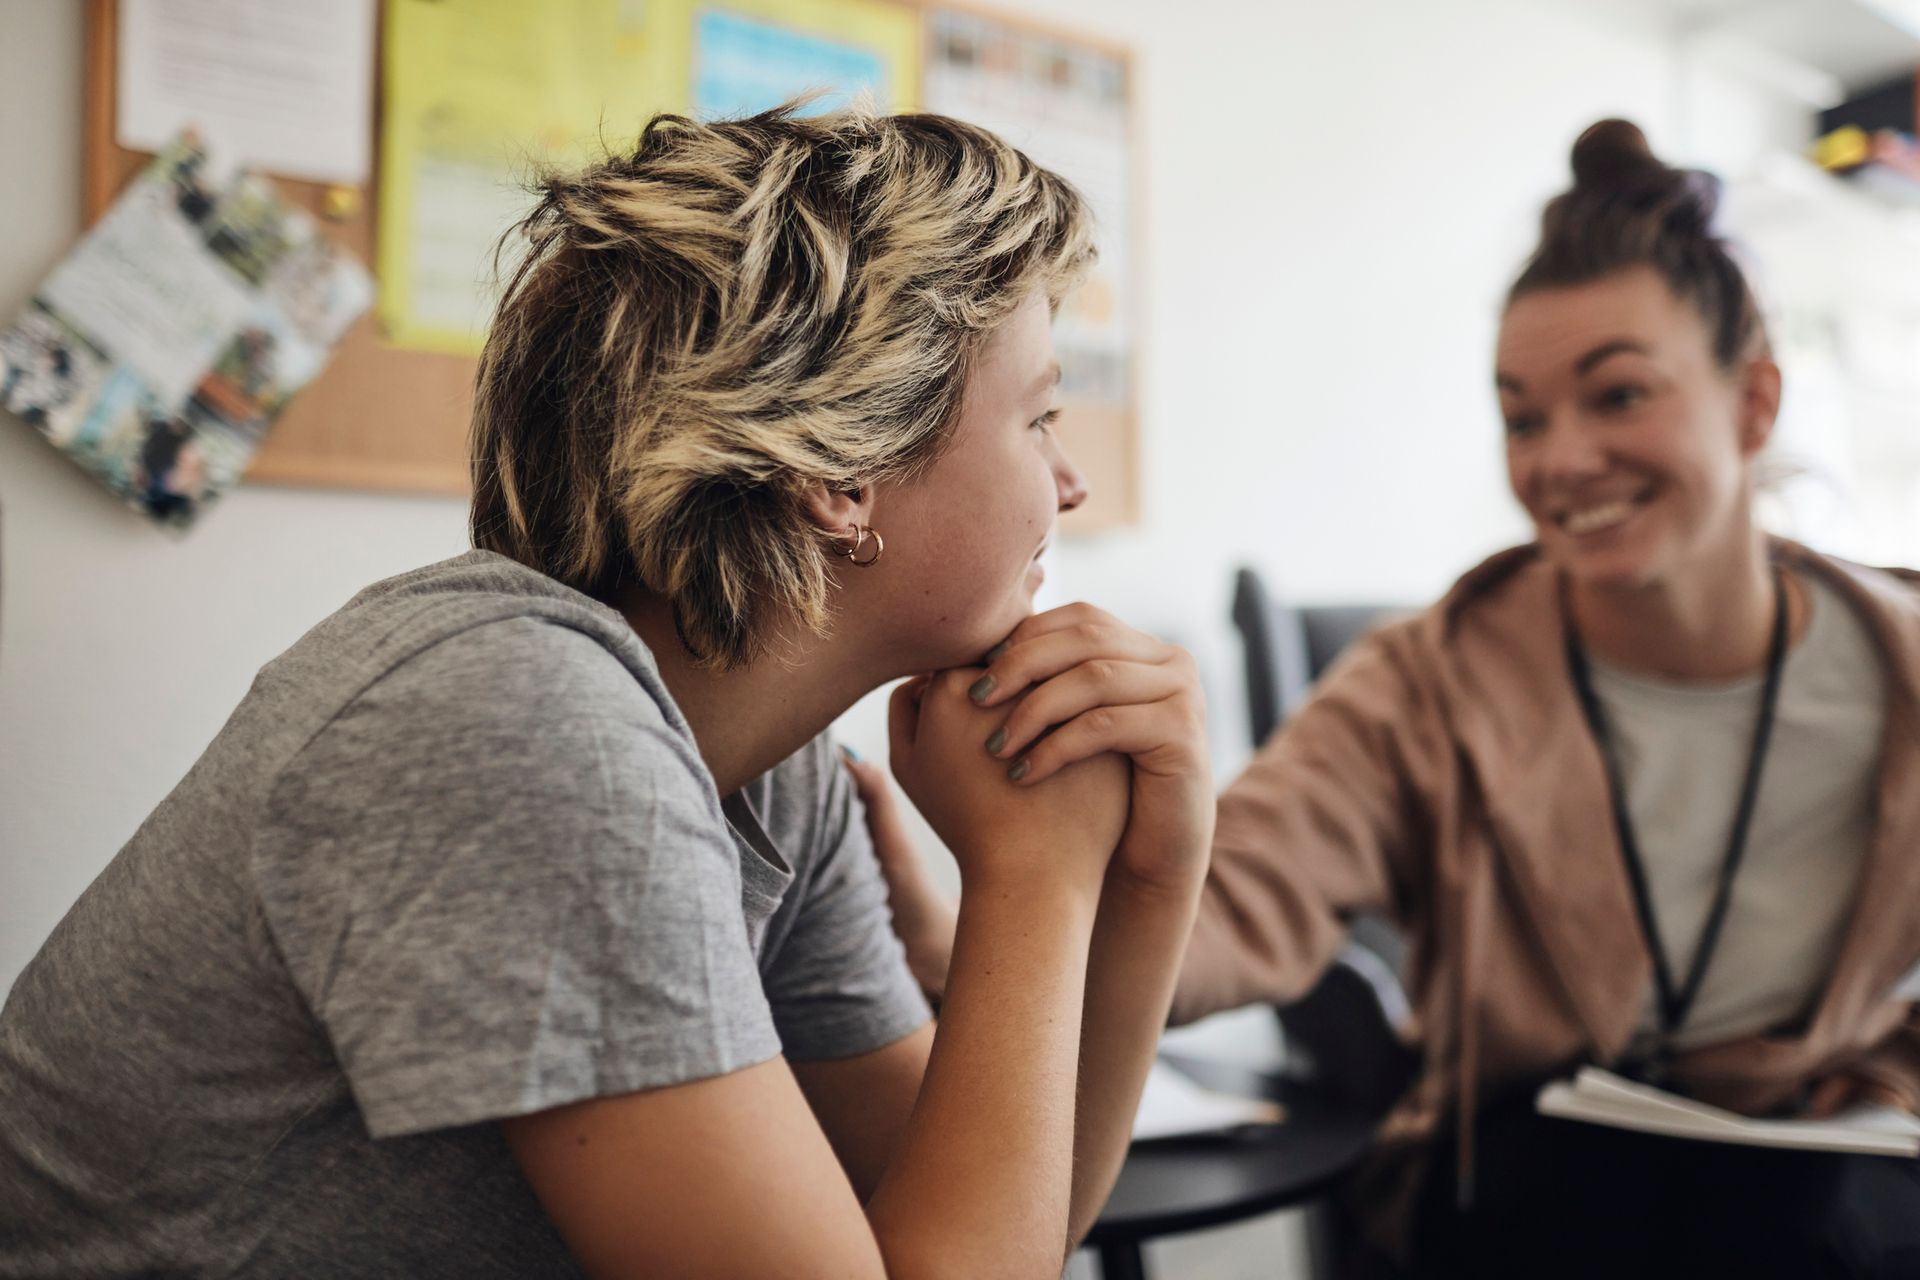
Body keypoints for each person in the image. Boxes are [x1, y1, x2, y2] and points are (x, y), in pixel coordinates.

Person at [0, 105, 1213, 1279]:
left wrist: (1151, 875)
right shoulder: (521, 719)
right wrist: (1036, 878)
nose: (1068, 484)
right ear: (841, 471)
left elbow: (990, 1230)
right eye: (1040, 415)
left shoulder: (768, 769)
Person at [868, 120, 1920, 1278]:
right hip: (1542, 1171)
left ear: (1755, 403)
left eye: (1618, 395)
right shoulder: (1431, 679)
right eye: (1523, 416)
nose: (1560, 459)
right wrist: (987, 934)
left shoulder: (1900, 667)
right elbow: (1242, 892)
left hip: (1845, 1169)